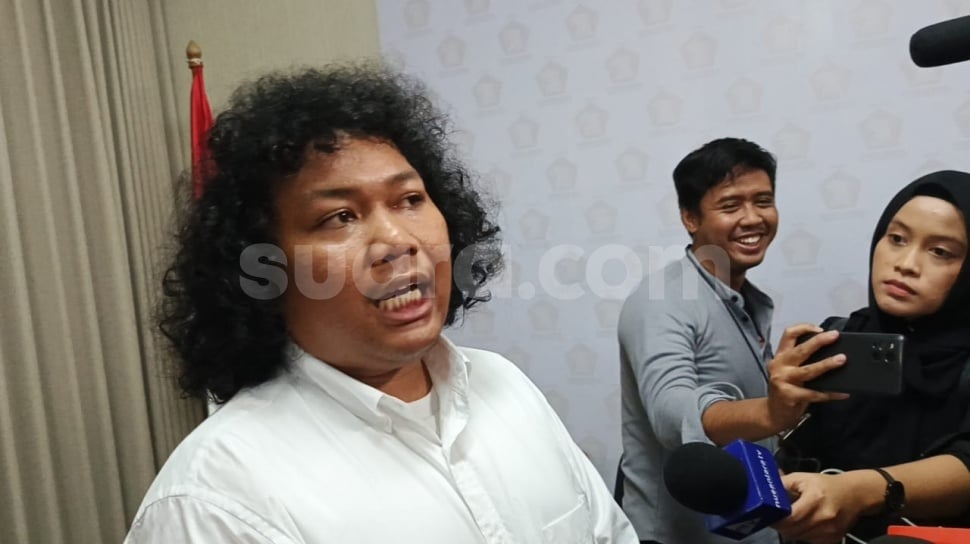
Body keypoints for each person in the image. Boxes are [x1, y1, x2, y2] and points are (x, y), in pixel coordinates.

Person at [125, 64, 637, 543]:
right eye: (340, 217)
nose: (397, 240)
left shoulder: (505, 387)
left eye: (410, 200)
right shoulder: (215, 499)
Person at [617, 137, 846, 544]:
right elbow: (671, 414)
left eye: (763, 201)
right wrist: (772, 412)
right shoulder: (661, 300)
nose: (753, 218)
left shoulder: (745, 300)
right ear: (690, 217)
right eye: (730, 206)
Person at [775, 170, 970, 544]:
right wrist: (779, 411)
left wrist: (860, 491)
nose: (906, 263)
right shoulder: (838, 336)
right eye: (897, 239)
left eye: (940, 252)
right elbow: (803, 457)